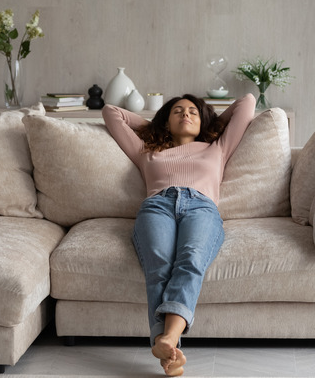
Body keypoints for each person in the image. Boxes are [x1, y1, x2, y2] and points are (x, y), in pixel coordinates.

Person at [102, 92, 256, 376]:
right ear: (165, 121)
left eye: (192, 112)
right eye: (177, 111)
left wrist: (210, 123)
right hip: (157, 205)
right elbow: (112, 112)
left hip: (201, 207)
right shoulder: (146, 150)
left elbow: (246, 102)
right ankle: (169, 348)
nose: (185, 114)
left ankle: (166, 340)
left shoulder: (218, 147)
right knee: (159, 266)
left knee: (192, 258)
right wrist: (155, 125)